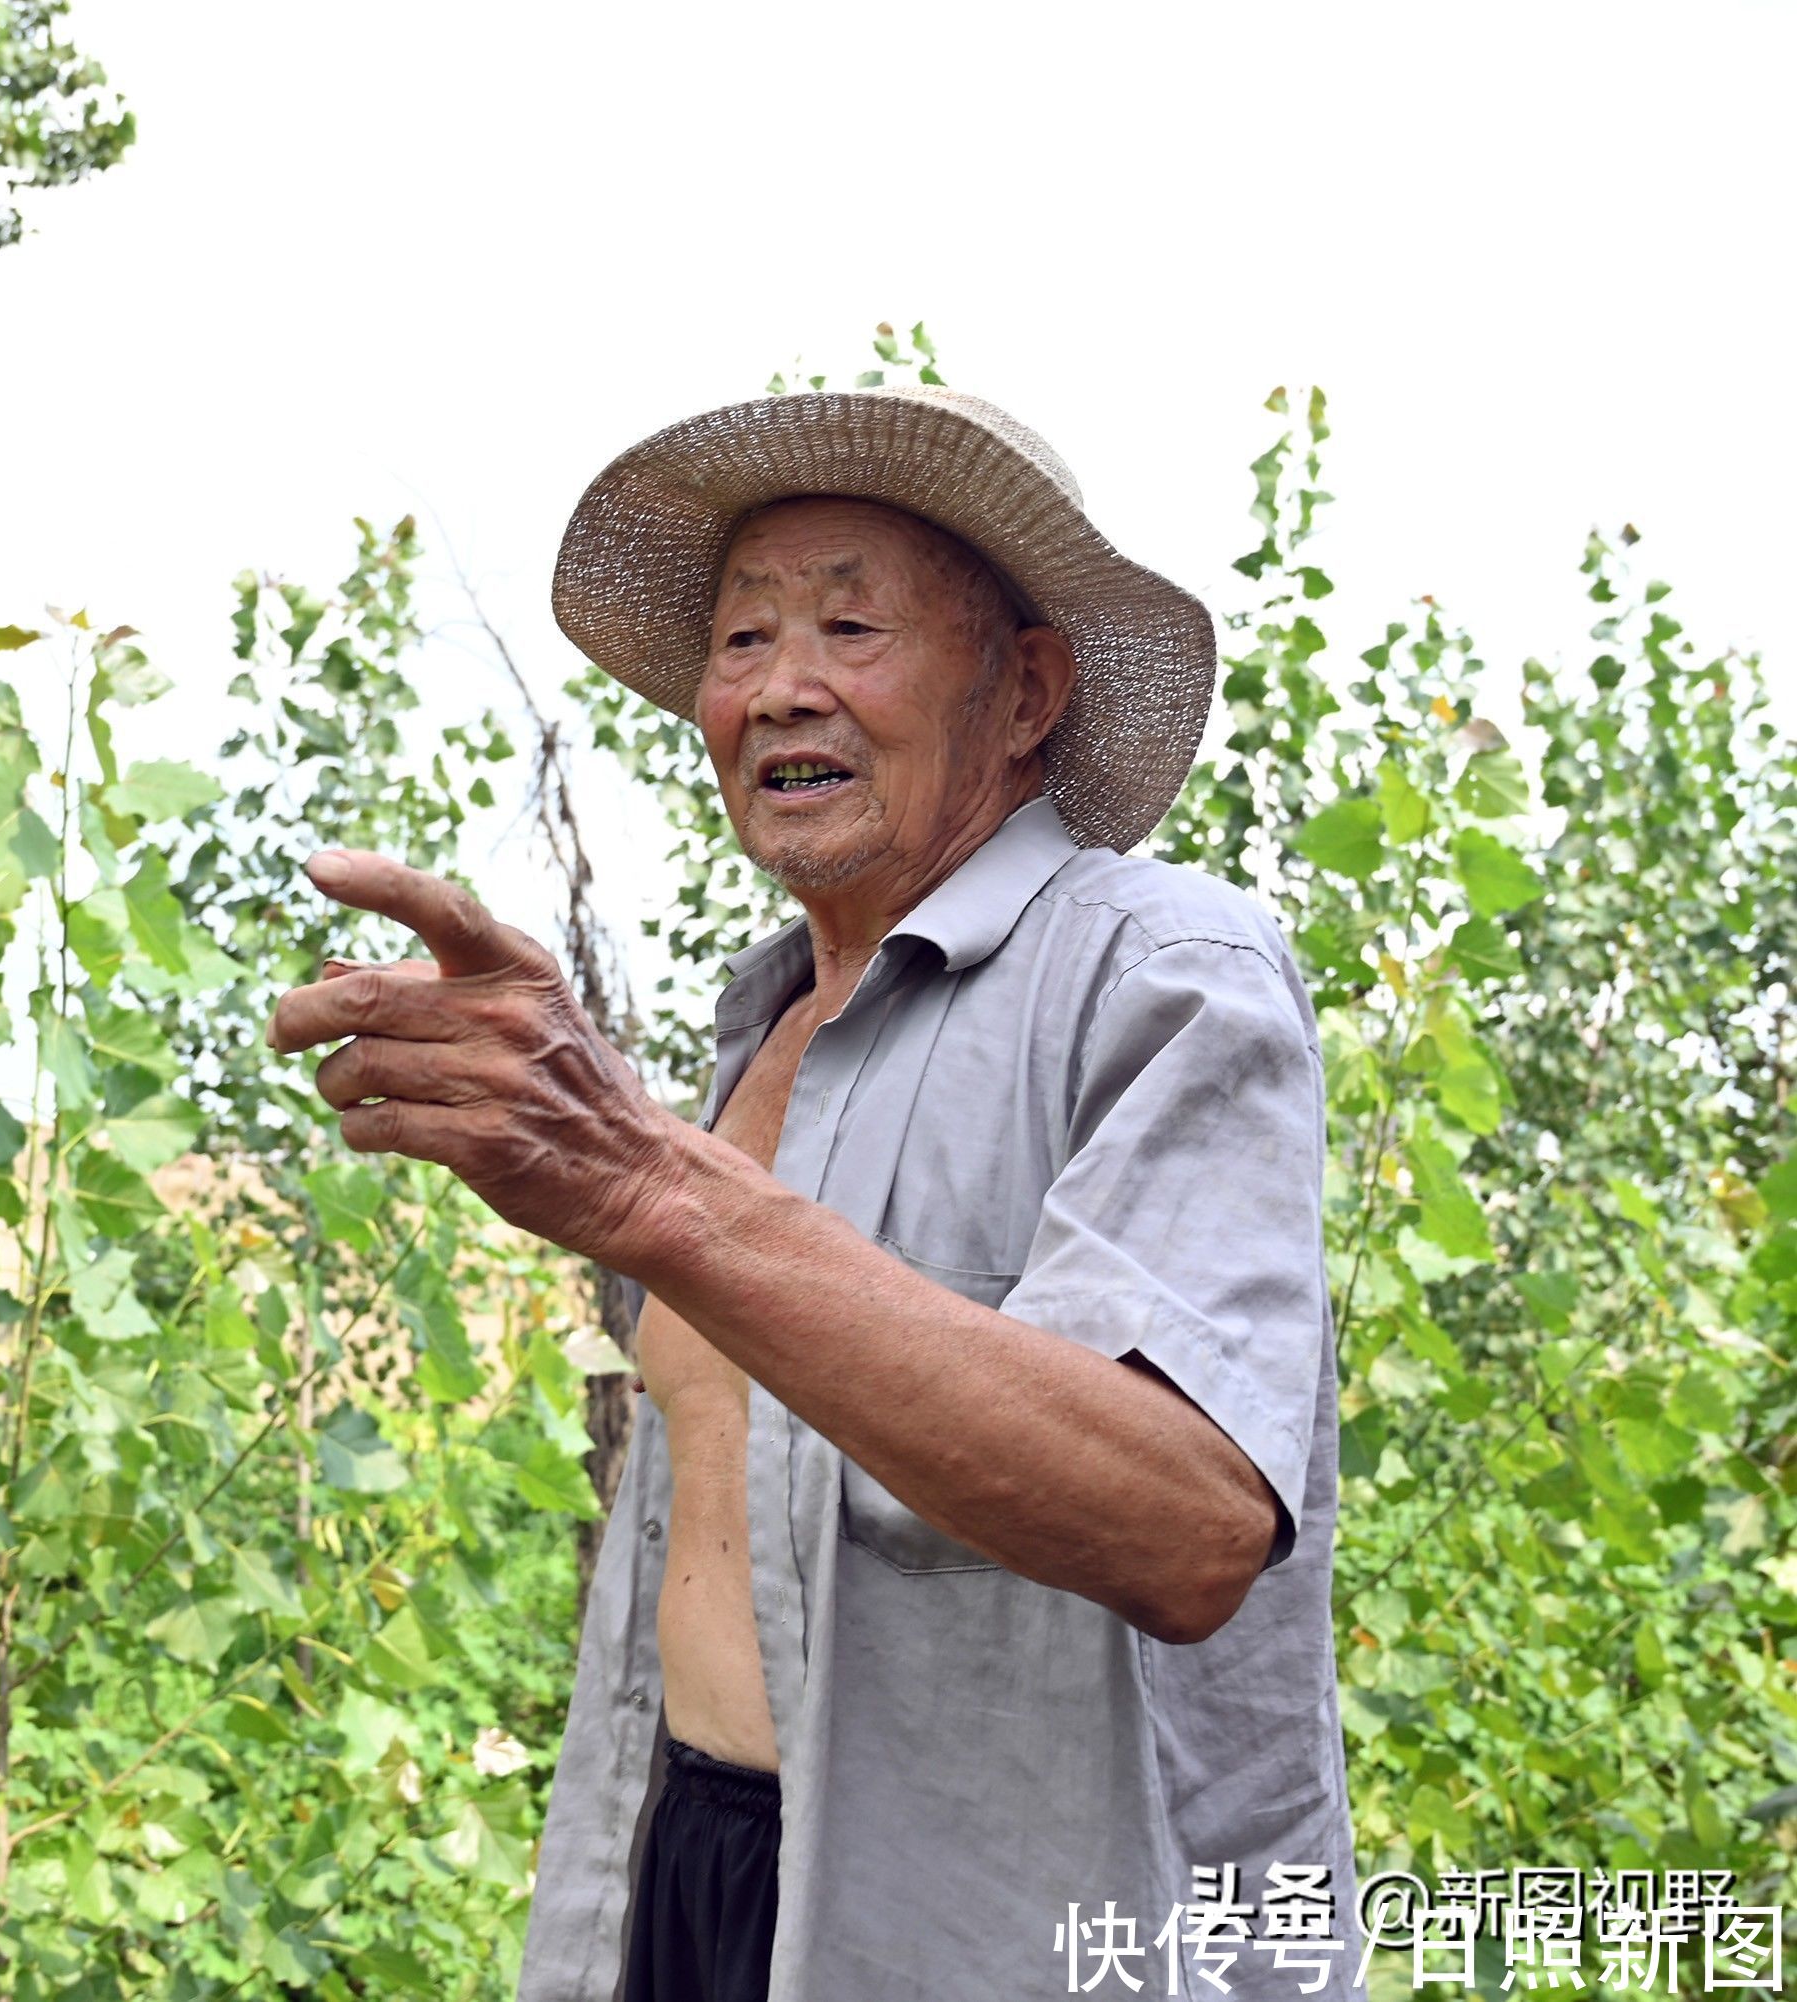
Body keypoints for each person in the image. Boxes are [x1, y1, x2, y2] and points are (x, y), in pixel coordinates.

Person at [267, 387, 1356, 2000]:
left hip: (999, 1934)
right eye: (742, 639)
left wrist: (649, 1183)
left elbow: (1185, 1518)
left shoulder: (1159, 970)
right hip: (699, 1881)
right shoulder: (762, 1033)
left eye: (853, 625)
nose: (783, 686)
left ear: (1026, 690)